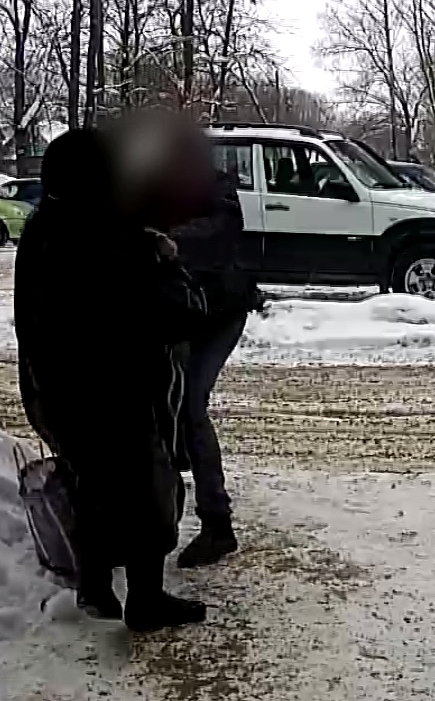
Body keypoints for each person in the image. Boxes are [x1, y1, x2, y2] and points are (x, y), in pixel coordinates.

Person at [15, 123, 211, 632]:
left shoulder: (44, 226)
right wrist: (167, 262)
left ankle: (94, 584)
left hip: (52, 388)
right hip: (116, 391)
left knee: (90, 484)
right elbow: (180, 315)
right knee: (147, 492)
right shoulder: (112, 239)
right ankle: (145, 600)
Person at [171, 159, 259, 567]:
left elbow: (219, 229)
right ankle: (149, 518)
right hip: (173, 311)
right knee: (160, 405)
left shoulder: (213, 186)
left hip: (219, 311)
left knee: (190, 404)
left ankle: (217, 524)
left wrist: (160, 238)